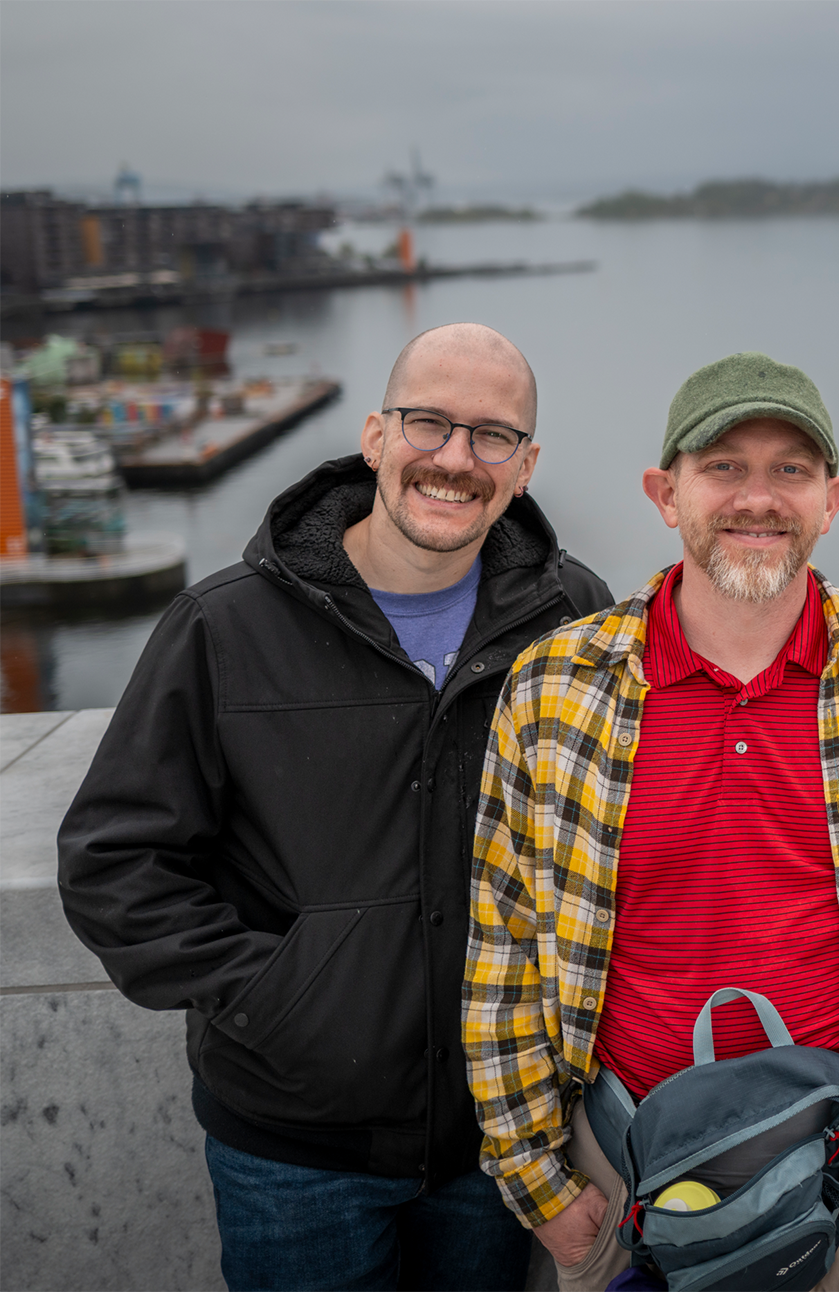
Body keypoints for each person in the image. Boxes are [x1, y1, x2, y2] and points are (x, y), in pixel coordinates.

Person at [57, 323, 613, 1291]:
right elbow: (116, 862)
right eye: (428, 422)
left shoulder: (573, 617)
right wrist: (281, 998)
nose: (454, 458)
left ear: (525, 466)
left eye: (491, 435)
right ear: (373, 434)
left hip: (505, 1137)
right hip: (294, 1151)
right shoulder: (225, 625)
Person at [465, 351, 839, 1292]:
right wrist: (546, 1196)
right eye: (723, 466)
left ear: (832, 499)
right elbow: (504, 951)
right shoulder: (557, 685)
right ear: (664, 491)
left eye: (790, 471)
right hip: (627, 1165)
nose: (757, 497)